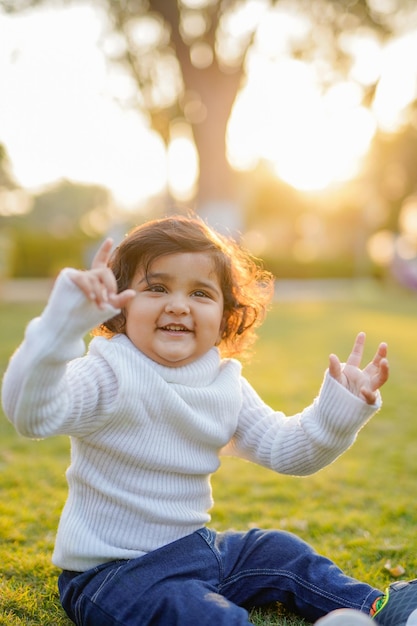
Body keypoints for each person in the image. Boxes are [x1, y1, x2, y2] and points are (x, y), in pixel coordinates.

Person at [2, 215, 416, 626]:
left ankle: (382, 610)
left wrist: (339, 408)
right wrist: (59, 329)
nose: (178, 304)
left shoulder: (223, 382)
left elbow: (285, 449)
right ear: (120, 305)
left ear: (225, 316)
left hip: (196, 550)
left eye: (200, 293)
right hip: (114, 574)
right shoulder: (108, 371)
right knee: (196, 613)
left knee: (279, 551)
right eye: (157, 288)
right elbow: (31, 415)